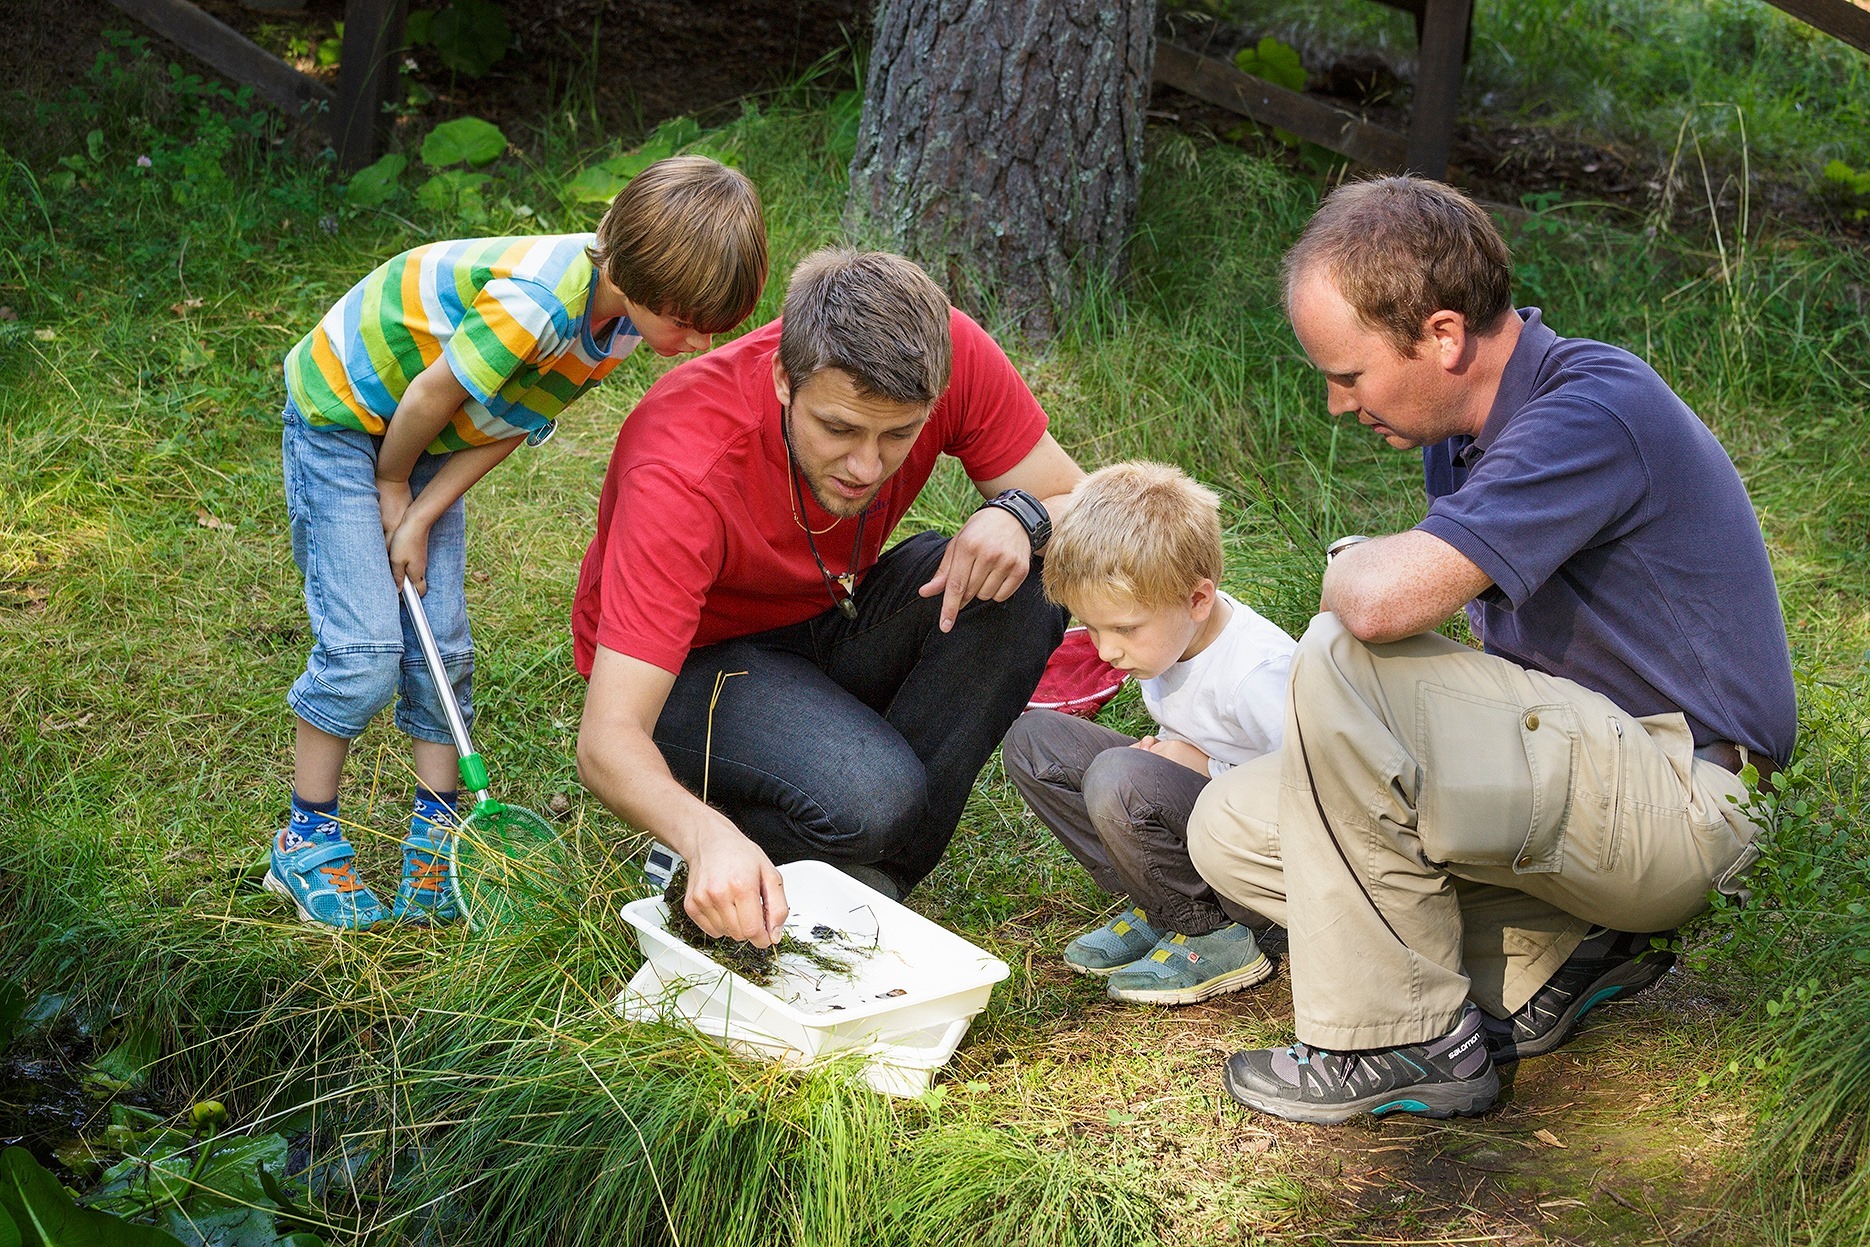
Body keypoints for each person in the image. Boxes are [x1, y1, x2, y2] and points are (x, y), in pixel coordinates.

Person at [1187, 176, 1796, 1124]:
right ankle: (1554, 958)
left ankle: (1403, 1038)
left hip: (1689, 797)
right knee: (1227, 825)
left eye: (1348, 375)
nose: (1339, 406)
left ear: (1441, 335)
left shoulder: (1593, 407)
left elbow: (1384, 603)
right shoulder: (1461, 429)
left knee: (1344, 657)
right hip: (1588, 775)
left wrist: (1348, 563)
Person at [269, 156, 769, 930]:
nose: (700, 341)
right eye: (690, 321)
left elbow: (506, 421)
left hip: (432, 438)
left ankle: (435, 838)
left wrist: (424, 513)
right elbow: (433, 390)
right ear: (640, 277)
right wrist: (393, 484)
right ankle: (305, 838)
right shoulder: (536, 306)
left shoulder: (622, 329)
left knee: (442, 641)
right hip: (351, 412)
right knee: (365, 651)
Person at [573, 248, 1085, 947]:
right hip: (688, 666)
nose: (866, 466)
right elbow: (607, 739)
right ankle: (734, 847)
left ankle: (866, 878)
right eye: (839, 429)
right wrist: (704, 834)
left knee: (1030, 580)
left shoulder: (950, 347)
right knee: (874, 795)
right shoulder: (681, 464)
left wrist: (1023, 517)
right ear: (784, 378)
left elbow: (1083, 501)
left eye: (900, 433)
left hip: (826, 610)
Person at [1002, 461, 1295, 1005]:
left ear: (1198, 599)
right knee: (1034, 741)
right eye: (1091, 626)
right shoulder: (1169, 642)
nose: (1106, 650)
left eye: (1123, 628)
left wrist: (1205, 769)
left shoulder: (1258, 676)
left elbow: (1318, 786)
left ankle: (1211, 933)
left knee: (1120, 777)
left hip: (1262, 858)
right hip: (1204, 818)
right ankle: (1156, 900)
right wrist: (1170, 761)